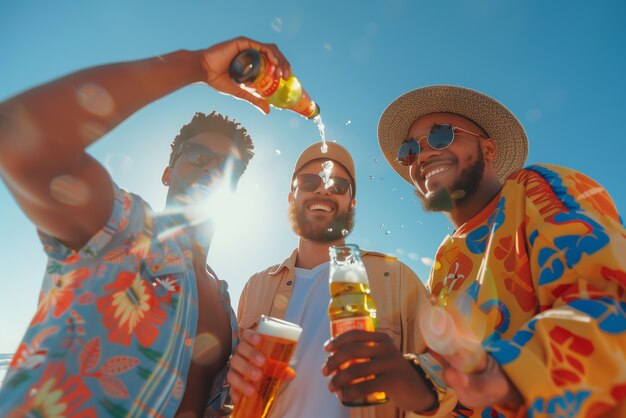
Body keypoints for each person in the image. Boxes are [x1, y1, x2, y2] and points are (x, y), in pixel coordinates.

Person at [0, 37, 293, 417]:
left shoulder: (226, 308)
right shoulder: (122, 227)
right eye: (199, 155)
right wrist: (197, 66)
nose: (212, 169)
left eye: (228, 168)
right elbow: (15, 136)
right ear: (169, 172)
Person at [347, 84, 626, 417]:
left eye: (440, 137)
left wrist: (507, 373)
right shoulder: (444, 258)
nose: (422, 156)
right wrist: (415, 382)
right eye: (410, 150)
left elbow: (608, 300)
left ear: (489, 149)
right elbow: (454, 368)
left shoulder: (535, 189)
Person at [226, 141, 440, 418]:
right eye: (308, 181)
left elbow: (449, 368)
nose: (323, 188)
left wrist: (420, 389)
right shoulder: (255, 287)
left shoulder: (396, 277)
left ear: (351, 202)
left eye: (337, 186)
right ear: (291, 196)